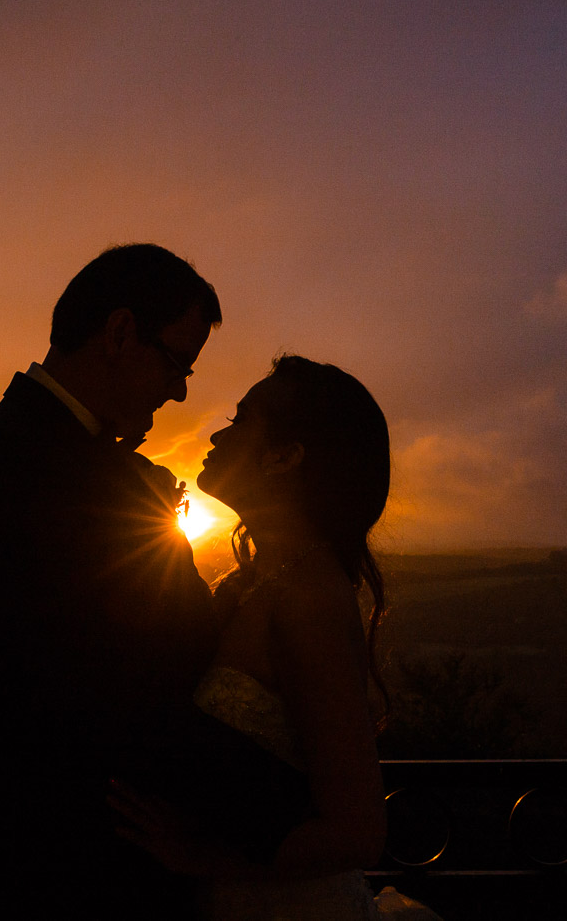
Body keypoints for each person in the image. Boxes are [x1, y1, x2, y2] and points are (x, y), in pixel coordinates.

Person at [0, 245, 306, 918]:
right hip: (91, 877)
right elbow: (129, 700)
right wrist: (303, 815)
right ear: (118, 333)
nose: (181, 391)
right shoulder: (69, 481)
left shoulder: (0, 459)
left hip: (35, 861)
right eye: (177, 362)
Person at [111, 355, 436, 920]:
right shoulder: (255, 581)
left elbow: (359, 832)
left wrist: (202, 856)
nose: (217, 431)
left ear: (285, 456)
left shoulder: (310, 599)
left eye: (240, 420)